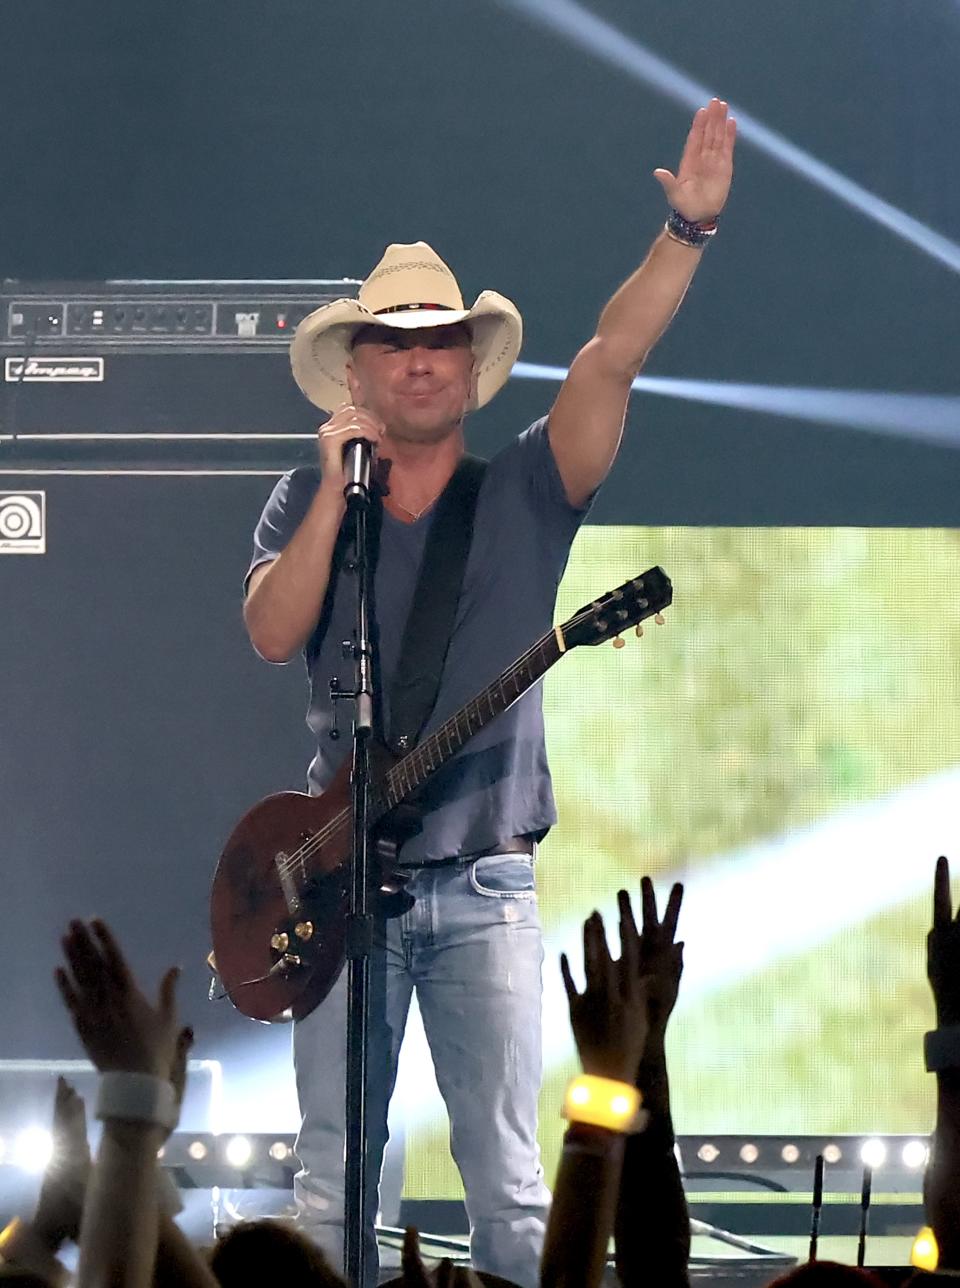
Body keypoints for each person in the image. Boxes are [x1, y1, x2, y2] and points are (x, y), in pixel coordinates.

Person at [243, 99, 736, 1288]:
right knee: (333, 1182)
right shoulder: (305, 501)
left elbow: (613, 354)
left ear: (471, 367)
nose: (421, 356)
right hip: (339, 888)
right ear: (355, 371)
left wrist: (686, 232)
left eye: (443, 339)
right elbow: (269, 632)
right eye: (396, 341)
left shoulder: (526, 490)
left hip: (485, 887)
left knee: (511, 1182)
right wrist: (328, 492)